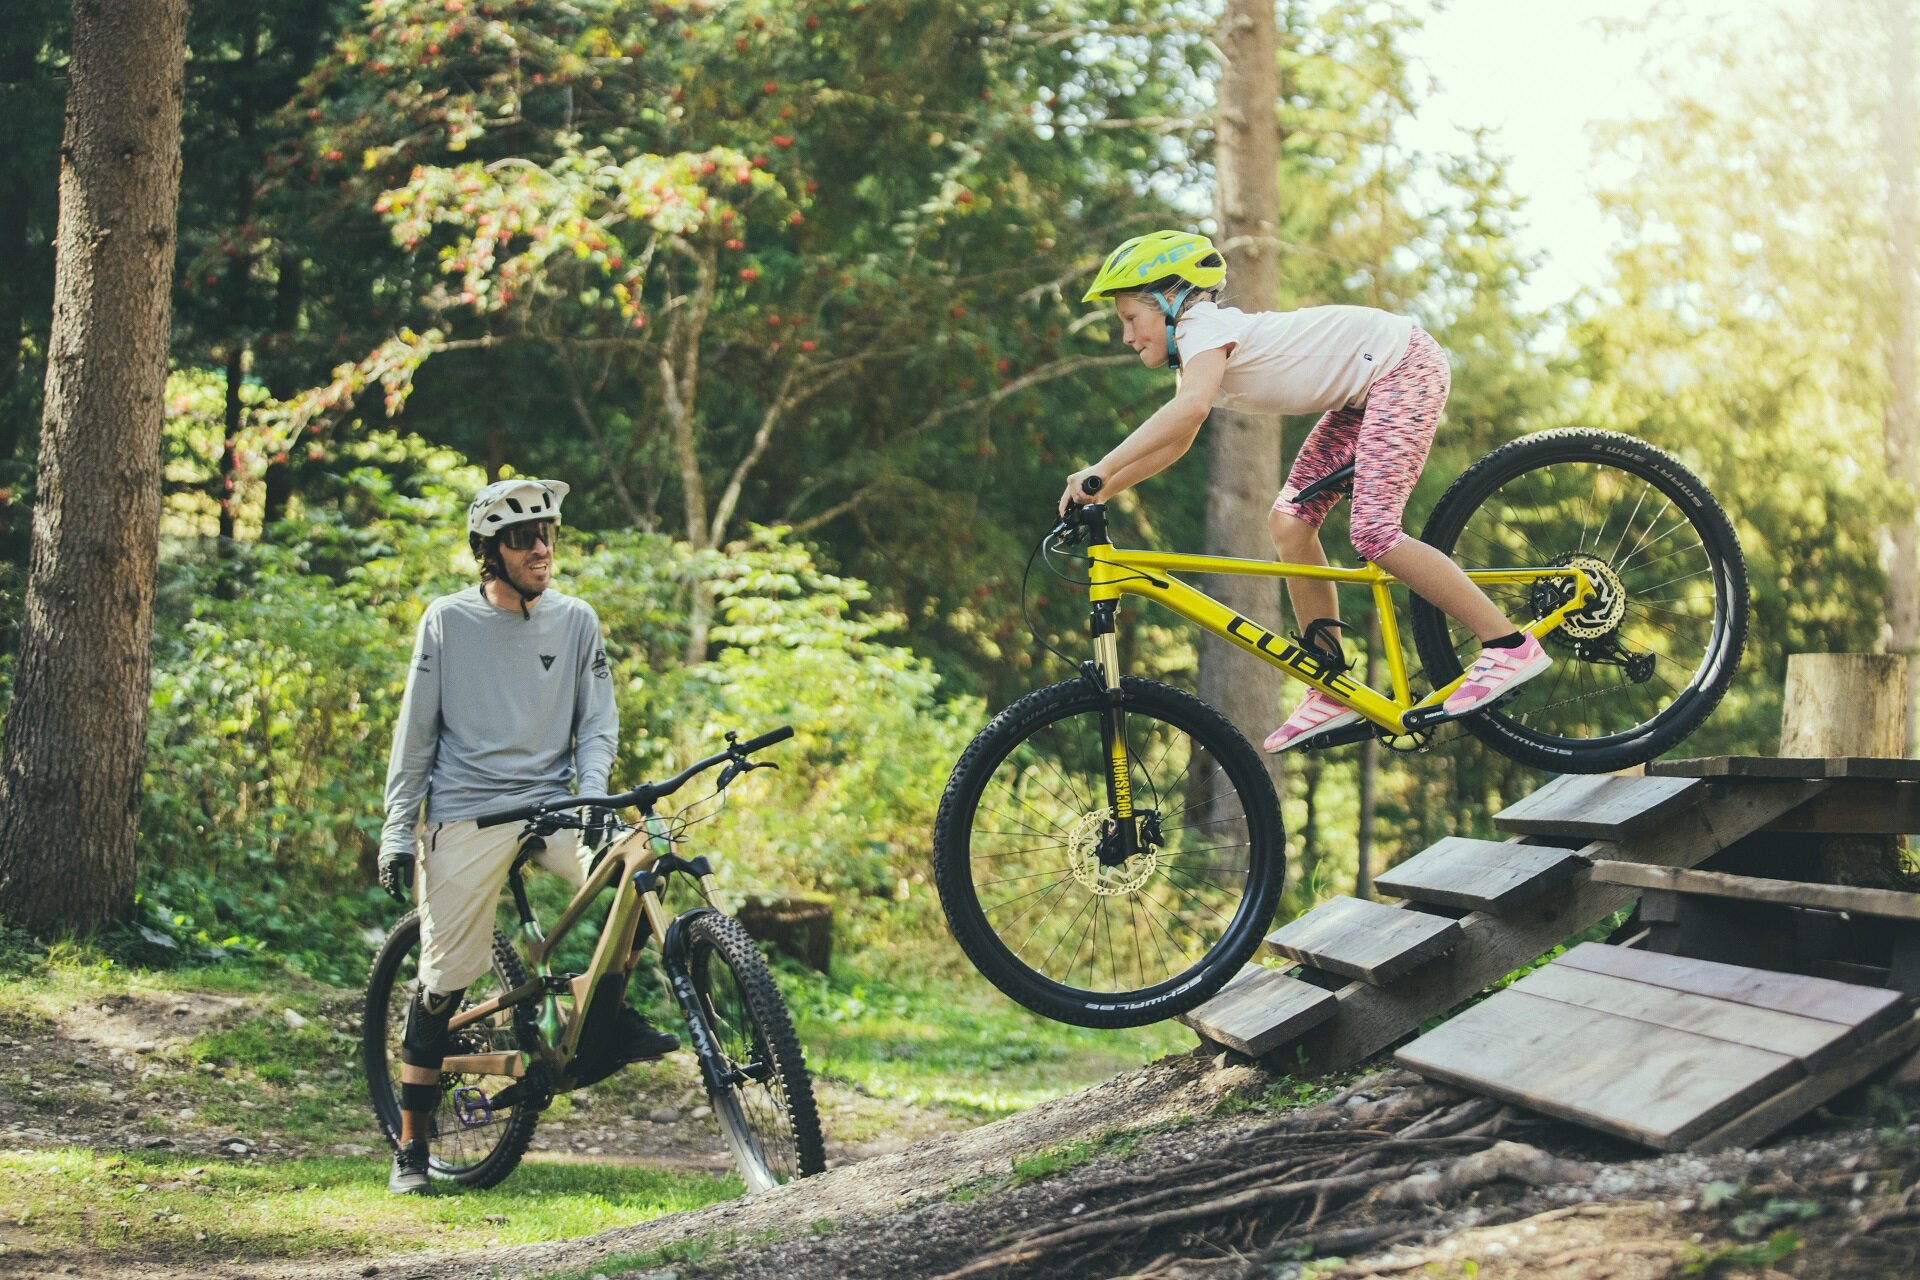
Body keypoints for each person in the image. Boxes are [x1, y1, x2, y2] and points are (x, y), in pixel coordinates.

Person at [1060, 229, 1551, 752]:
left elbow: (1190, 410)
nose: (1127, 336)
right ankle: (1330, 680)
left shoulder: (1201, 326)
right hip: (1363, 390)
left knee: (1374, 531)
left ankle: (1507, 643)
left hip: (1402, 365)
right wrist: (1105, 488)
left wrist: (1099, 468)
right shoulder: (1198, 353)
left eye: (1130, 318)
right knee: (1289, 523)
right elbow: (1177, 441)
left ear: (1169, 302)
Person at [375, 477, 677, 1195]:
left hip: (552, 808)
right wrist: (397, 830)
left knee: (640, 869)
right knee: (445, 982)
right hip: (467, 814)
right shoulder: (446, 622)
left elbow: (596, 721)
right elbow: (414, 735)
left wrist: (595, 794)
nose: (540, 547)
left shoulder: (575, 620)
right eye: (522, 537)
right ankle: (411, 1151)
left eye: (546, 533)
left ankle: (604, 1022)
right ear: (490, 551)